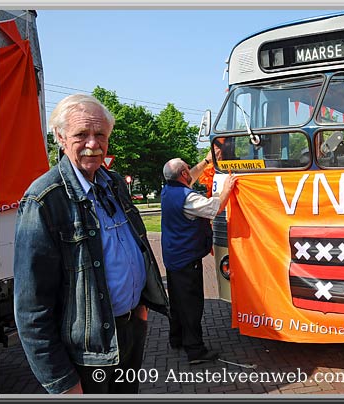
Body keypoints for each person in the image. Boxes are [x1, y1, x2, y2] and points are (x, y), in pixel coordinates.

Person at [13, 94, 169, 394]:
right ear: (59, 137)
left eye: (100, 134)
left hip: (128, 331)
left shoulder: (113, 184)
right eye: (81, 134)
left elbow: (134, 245)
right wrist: (62, 383)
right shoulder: (44, 200)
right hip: (85, 351)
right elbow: (31, 308)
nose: (93, 144)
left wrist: (139, 306)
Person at [161, 155, 237, 364]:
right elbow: (215, 208)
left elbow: (190, 176)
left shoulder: (168, 191)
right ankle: (195, 350)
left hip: (173, 257)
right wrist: (227, 188)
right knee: (191, 305)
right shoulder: (188, 198)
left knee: (177, 302)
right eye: (187, 169)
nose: (190, 172)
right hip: (187, 260)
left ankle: (176, 338)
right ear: (183, 174)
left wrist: (205, 162)